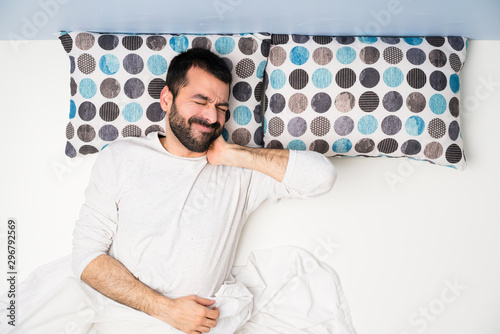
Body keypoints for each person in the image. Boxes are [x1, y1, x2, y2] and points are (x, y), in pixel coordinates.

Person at [72, 48, 337, 334]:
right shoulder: (121, 157)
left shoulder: (238, 172)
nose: (212, 117)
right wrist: (166, 309)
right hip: (128, 321)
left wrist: (235, 154)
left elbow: (322, 177)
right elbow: (86, 258)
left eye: (221, 108)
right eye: (200, 101)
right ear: (166, 99)